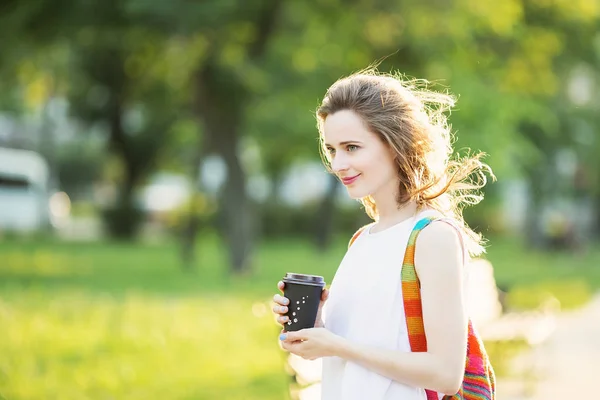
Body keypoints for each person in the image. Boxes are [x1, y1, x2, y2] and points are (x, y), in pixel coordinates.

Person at [272, 69, 495, 399]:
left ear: (394, 144)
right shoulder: (362, 240)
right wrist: (316, 331)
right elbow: (362, 349)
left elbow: (446, 374)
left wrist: (341, 347)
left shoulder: (431, 236)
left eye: (352, 147)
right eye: (332, 150)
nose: (338, 164)